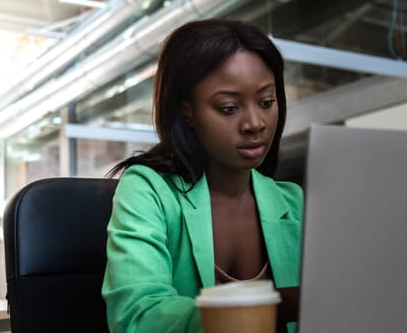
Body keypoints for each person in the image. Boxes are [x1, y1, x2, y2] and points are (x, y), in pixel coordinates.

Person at [102, 18, 303, 333]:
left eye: (266, 102)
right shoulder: (147, 190)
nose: (255, 123)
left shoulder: (294, 202)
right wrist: (279, 307)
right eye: (228, 108)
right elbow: (138, 316)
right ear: (187, 111)